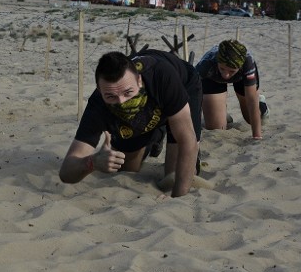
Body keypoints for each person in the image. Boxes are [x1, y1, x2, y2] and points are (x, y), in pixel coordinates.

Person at [59, 49, 202, 197]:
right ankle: (156, 134)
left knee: (173, 177)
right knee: (126, 168)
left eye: (128, 93)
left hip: (182, 84)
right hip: (146, 112)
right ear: (99, 90)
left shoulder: (161, 75)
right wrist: (92, 162)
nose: (121, 102)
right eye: (111, 96)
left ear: (139, 81)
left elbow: (187, 140)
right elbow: (66, 172)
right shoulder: (97, 106)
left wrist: (178, 199)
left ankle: (160, 126)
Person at [195, 39, 268, 140]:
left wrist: (257, 136)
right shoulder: (206, 64)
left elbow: (251, 100)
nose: (226, 75)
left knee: (251, 119)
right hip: (212, 78)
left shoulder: (248, 63)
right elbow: (191, 96)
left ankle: (262, 104)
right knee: (217, 128)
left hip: (241, 78)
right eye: (222, 68)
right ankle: (221, 113)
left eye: (231, 71)